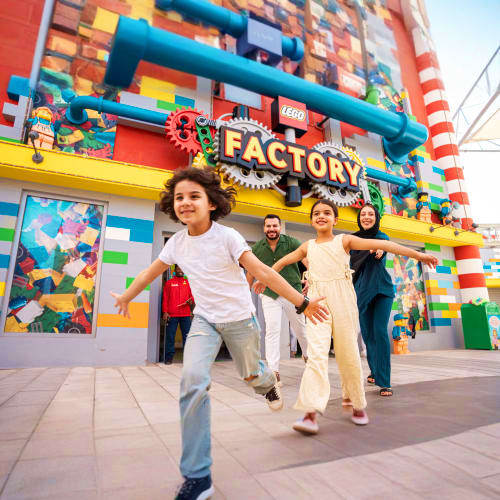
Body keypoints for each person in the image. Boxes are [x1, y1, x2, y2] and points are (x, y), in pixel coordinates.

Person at [110, 167, 328, 500]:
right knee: (192, 382)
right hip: (205, 321)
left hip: (240, 320)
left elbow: (262, 272)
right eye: (179, 197)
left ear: (211, 202)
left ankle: (266, 384)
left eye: (194, 196)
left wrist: (303, 302)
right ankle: (198, 476)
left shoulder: (228, 237)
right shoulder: (176, 244)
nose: (185, 202)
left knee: (251, 374)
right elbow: (149, 273)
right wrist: (127, 296)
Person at [271, 199, 438, 435]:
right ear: (311, 220)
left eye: (327, 213)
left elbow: (386, 245)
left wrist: (419, 256)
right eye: (316, 213)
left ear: (335, 219)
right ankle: (310, 412)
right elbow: (282, 262)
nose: (321, 216)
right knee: (316, 354)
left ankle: (357, 403)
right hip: (318, 304)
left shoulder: (345, 240)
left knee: (348, 353)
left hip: (343, 301)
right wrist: (263, 278)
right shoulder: (307, 246)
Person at [247, 214, 308, 386]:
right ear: (264, 228)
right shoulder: (257, 248)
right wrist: (244, 296)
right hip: (269, 293)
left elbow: (307, 261)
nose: (271, 229)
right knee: (272, 330)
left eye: (275, 226)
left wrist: (310, 278)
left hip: (292, 292)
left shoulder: (292, 242)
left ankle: (309, 358)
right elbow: (250, 272)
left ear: (280, 227)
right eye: (268, 226)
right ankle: (273, 371)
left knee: (300, 329)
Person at [349, 203, 395, 396]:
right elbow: (352, 262)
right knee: (368, 334)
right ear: (359, 218)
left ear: (376, 218)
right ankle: (375, 372)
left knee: (380, 331)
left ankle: (385, 382)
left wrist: (379, 250)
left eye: (370, 214)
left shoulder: (382, 237)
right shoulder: (353, 239)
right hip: (362, 291)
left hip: (383, 290)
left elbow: (382, 247)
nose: (366, 217)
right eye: (363, 214)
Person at [162, 265, 194, 364]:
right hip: (172, 314)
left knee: (187, 337)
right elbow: (165, 298)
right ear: (175, 270)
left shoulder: (188, 283)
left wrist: (191, 300)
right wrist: (165, 311)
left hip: (185, 314)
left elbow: (192, 296)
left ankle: (188, 359)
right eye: (178, 269)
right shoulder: (169, 283)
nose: (180, 270)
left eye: (182, 269)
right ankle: (169, 358)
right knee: (170, 337)